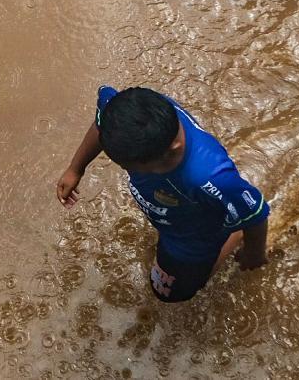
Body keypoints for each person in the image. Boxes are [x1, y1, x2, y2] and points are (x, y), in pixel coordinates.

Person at [55, 85, 270, 302]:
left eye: (133, 166)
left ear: (172, 150)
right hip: (172, 212)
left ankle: (234, 235)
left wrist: (254, 252)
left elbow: (255, 210)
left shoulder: (207, 178)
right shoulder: (133, 113)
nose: (126, 169)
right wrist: (76, 168)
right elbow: (101, 126)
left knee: (167, 291)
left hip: (192, 236)